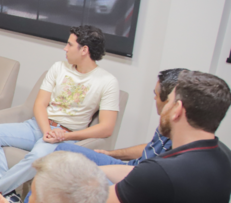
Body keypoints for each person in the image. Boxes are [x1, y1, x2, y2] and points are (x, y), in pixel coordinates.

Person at [101, 70, 231, 203]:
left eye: (168, 101)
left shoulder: (161, 173)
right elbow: (142, 179)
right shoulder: (221, 157)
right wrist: (100, 170)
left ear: (177, 109)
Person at [0, 25, 119, 203]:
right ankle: (7, 193)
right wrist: (46, 131)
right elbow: (40, 103)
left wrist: (64, 136)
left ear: (84, 50)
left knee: (37, 158)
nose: (65, 49)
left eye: (69, 45)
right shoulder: (58, 68)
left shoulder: (107, 82)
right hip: (38, 126)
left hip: (66, 135)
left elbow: (107, 128)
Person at [55, 68, 185, 166]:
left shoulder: (181, 138)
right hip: (130, 167)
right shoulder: (167, 124)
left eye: (156, 94)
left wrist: (97, 171)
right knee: (62, 151)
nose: (154, 98)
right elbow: (151, 148)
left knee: (67, 164)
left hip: (132, 177)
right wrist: (112, 154)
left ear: (170, 101)